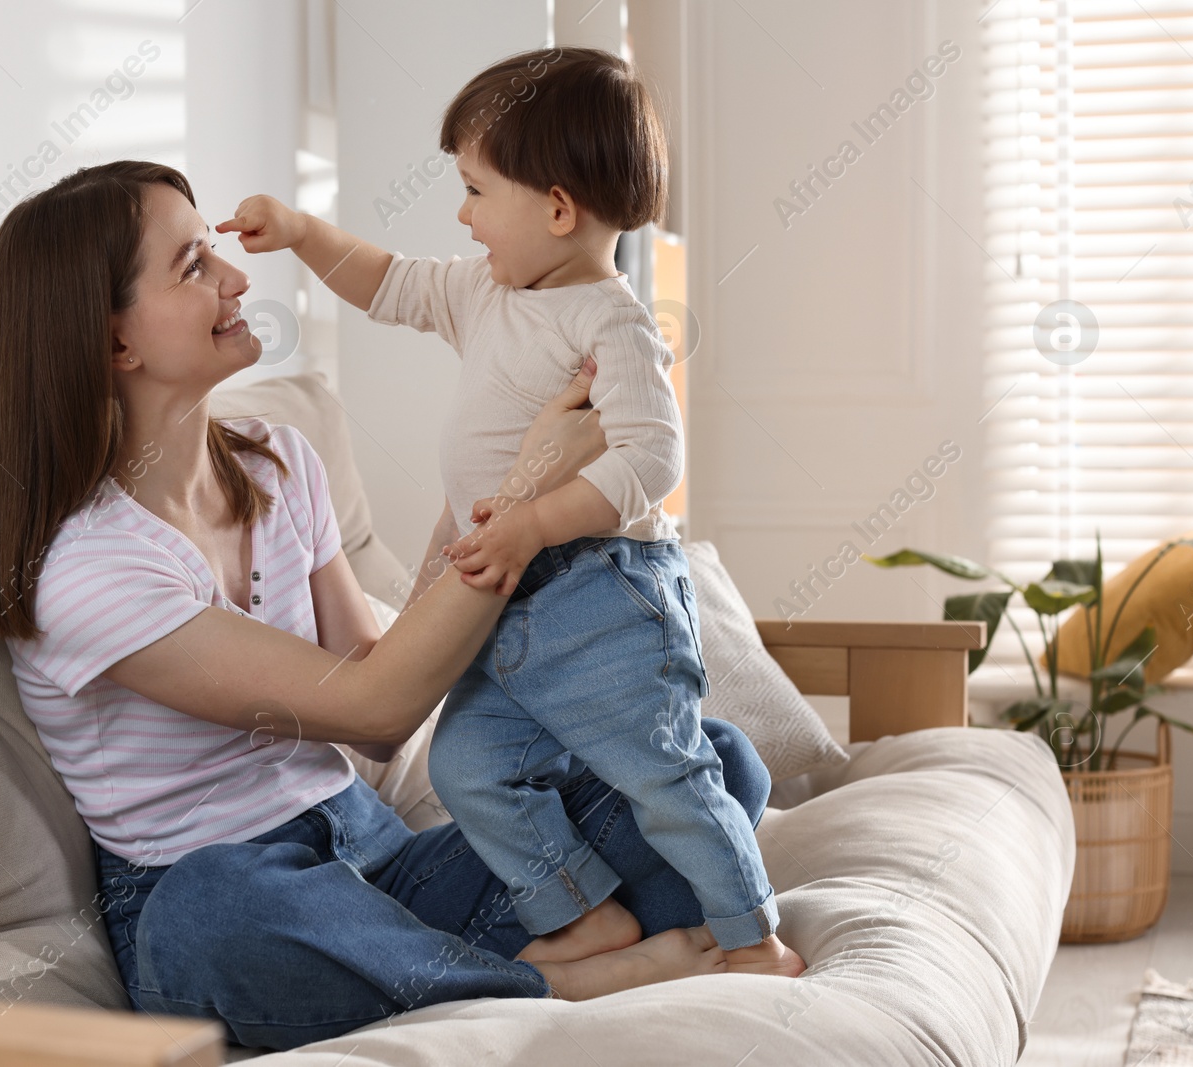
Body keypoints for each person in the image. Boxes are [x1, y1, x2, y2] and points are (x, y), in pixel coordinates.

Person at [0, 159, 781, 1052]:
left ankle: (433, 973)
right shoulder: (87, 567)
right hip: (230, 895)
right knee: (207, 913)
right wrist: (525, 481)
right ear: (116, 345)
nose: (236, 277)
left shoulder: (276, 462)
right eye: (194, 266)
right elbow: (374, 702)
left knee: (710, 763)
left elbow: (381, 723)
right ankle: (550, 981)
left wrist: (493, 480)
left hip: (372, 855)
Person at [220, 48, 803, 974]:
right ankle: (584, 913)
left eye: (476, 190)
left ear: (559, 209)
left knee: (669, 776)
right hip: (509, 610)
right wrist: (300, 230)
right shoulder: (483, 291)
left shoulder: (609, 322)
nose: (461, 215)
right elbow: (384, 279)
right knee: (467, 769)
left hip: (600, 600)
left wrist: (533, 523)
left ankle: (754, 937)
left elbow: (653, 456)